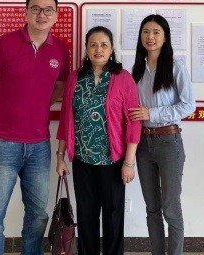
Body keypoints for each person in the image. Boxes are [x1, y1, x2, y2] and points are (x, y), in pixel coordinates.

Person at [0, 0, 70, 255]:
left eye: (48, 10)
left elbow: (60, 86)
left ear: (56, 15)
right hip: (2, 144)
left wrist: (38, 106)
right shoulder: (4, 44)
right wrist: (1, 110)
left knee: (38, 214)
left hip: (39, 145)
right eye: (35, 9)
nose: (42, 15)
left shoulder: (60, 50)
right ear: (26, 12)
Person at [55, 26, 141, 255]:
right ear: (86, 49)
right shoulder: (75, 77)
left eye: (104, 45)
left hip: (113, 161)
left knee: (113, 218)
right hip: (82, 160)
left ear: (112, 50)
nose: (98, 49)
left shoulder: (123, 78)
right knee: (86, 217)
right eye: (93, 44)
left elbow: (134, 122)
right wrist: (60, 156)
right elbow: (66, 119)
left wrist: (129, 162)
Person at [128, 14, 196, 255]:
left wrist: (152, 112)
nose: (150, 37)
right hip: (143, 144)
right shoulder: (137, 69)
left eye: (156, 32)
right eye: (146, 31)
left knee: (171, 208)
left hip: (169, 142)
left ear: (165, 37)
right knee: (152, 208)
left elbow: (188, 105)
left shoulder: (176, 67)